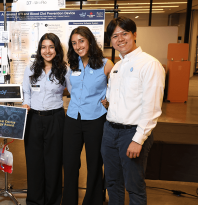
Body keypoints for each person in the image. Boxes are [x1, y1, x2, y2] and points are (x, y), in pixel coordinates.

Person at [101, 17, 165, 205]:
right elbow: (113, 98)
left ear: (134, 34)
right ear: (111, 41)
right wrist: (108, 103)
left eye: (124, 34)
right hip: (110, 131)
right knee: (112, 183)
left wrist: (138, 140)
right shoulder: (117, 66)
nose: (119, 39)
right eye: (114, 36)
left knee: (134, 185)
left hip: (132, 133)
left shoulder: (150, 64)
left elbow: (152, 107)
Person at [62, 26, 113, 205]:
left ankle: (94, 201)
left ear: (90, 41)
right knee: (69, 163)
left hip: (96, 119)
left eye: (81, 41)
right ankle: (68, 201)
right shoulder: (71, 65)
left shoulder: (107, 64)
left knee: (94, 163)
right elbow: (69, 89)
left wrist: (109, 101)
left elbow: (116, 90)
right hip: (73, 119)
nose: (78, 46)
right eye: (74, 43)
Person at [22, 33, 67, 205]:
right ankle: (34, 201)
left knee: (54, 163)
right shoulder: (31, 69)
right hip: (33, 119)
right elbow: (26, 92)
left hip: (55, 119)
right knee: (34, 163)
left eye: (51, 47)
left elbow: (74, 90)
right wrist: (26, 104)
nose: (47, 51)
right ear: (39, 49)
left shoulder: (65, 70)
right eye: (43, 47)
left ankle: (53, 201)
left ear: (56, 49)